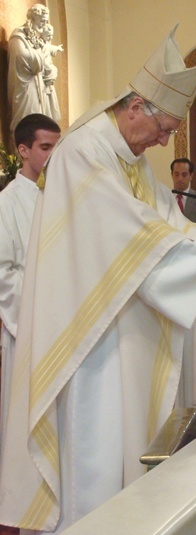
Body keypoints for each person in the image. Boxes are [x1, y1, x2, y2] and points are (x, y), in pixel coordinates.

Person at [0, 26, 196, 534]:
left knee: (123, 443)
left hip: (120, 328)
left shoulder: (133, 160)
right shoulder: (85, 151)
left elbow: (167, 221)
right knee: (95, 446)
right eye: (164, 127)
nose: (167, 140)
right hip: (88, 335)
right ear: (136, 107)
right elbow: (132, 235)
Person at [0, 113, 60, 448]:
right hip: (27, 326)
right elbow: (3, 273)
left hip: (64, 321)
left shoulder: (63, 196)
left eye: (57, 147)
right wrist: (45, 296)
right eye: (46, 147)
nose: (54, 156)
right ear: (23, 150)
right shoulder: (6, 204)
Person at [7, 4, 51, 132]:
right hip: (25, 87)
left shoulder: (34, 38)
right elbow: (22, 56)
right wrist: (40, 55)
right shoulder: (18, 35)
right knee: (26, 122)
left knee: (37, 124)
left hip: (36, 85)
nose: (44, 24)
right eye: (42, 21)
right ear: (34, 17)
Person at [41, 23, 63, 122]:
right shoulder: (40, 44)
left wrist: (57, 48)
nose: (50, 37)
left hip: (48, 77)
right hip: (44, 75)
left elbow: (51, 48)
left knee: (50, 103)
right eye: (48, 35)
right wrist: (50, 70)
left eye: (52, 36)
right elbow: (41, 58)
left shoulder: (47, 44)